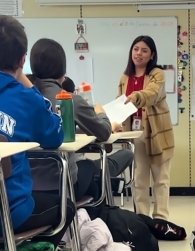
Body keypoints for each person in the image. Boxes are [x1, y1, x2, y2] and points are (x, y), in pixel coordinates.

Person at [0, 15, 75, 248]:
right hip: (10, 212)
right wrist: (26, 81)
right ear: (23, 60)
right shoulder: (26, 99)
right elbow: (55, 136)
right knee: (67, 207)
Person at [29, 38, 134, 202]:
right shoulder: (70, 100)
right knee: (102, 162)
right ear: (63, 71)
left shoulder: (22, 100)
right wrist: (101, 113)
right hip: (64, 187)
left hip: (26, 187)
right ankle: (110, 189)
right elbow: (104, 132)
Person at [117, 35, 174, 220]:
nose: (138, 53)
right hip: (136, 134)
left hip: (157, 133)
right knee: (140, 181)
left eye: (144, 50)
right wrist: (116, 123)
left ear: (152, 55)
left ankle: (160, 220)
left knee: (161, 180)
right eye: (136, 49)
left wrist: (135, 96)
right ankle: (142, 220)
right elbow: (120, 104)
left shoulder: (157, 74)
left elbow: (152, 94)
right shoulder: (125, 77)